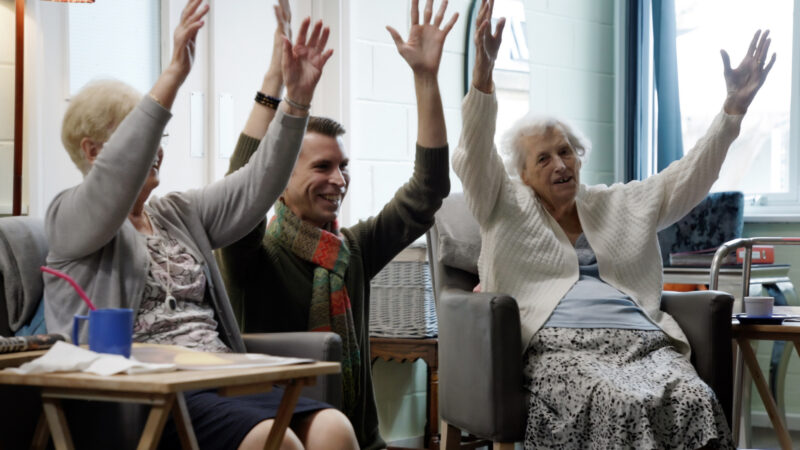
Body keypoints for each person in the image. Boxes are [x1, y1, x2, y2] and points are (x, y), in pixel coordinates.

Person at [452, 1, 775, 448]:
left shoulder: (616, 203)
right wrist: (482, 80)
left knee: (693, 398)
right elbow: (473, 158)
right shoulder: (503, 202)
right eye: (543, 158)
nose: (560, 164)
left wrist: (731, 111)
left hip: (641, 341)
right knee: (616, 402)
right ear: (522, 175)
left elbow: (686, 179)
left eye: (566, 151)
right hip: (561, 348)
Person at [43, 1, 358, 449]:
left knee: (334, 430)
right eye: (141, 137)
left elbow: (256, 186)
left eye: (159, 138)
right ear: (95, 152)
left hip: (221, 374)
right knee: (277, 443)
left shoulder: (177, 213)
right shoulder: (70, 220)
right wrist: (173, 75)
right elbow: (114, 181)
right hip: (152, 394)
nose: (156, 149)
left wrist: (297, 101)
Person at [217, 0, 457, 447]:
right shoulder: (250, 253)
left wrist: (426, 79)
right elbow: (239, 192)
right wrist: (277, 87)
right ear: (278, 178)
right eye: (322, 167)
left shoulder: (353, 249)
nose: (338, 180)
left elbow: (429, 190)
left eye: (343, 166)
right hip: (280, 437)